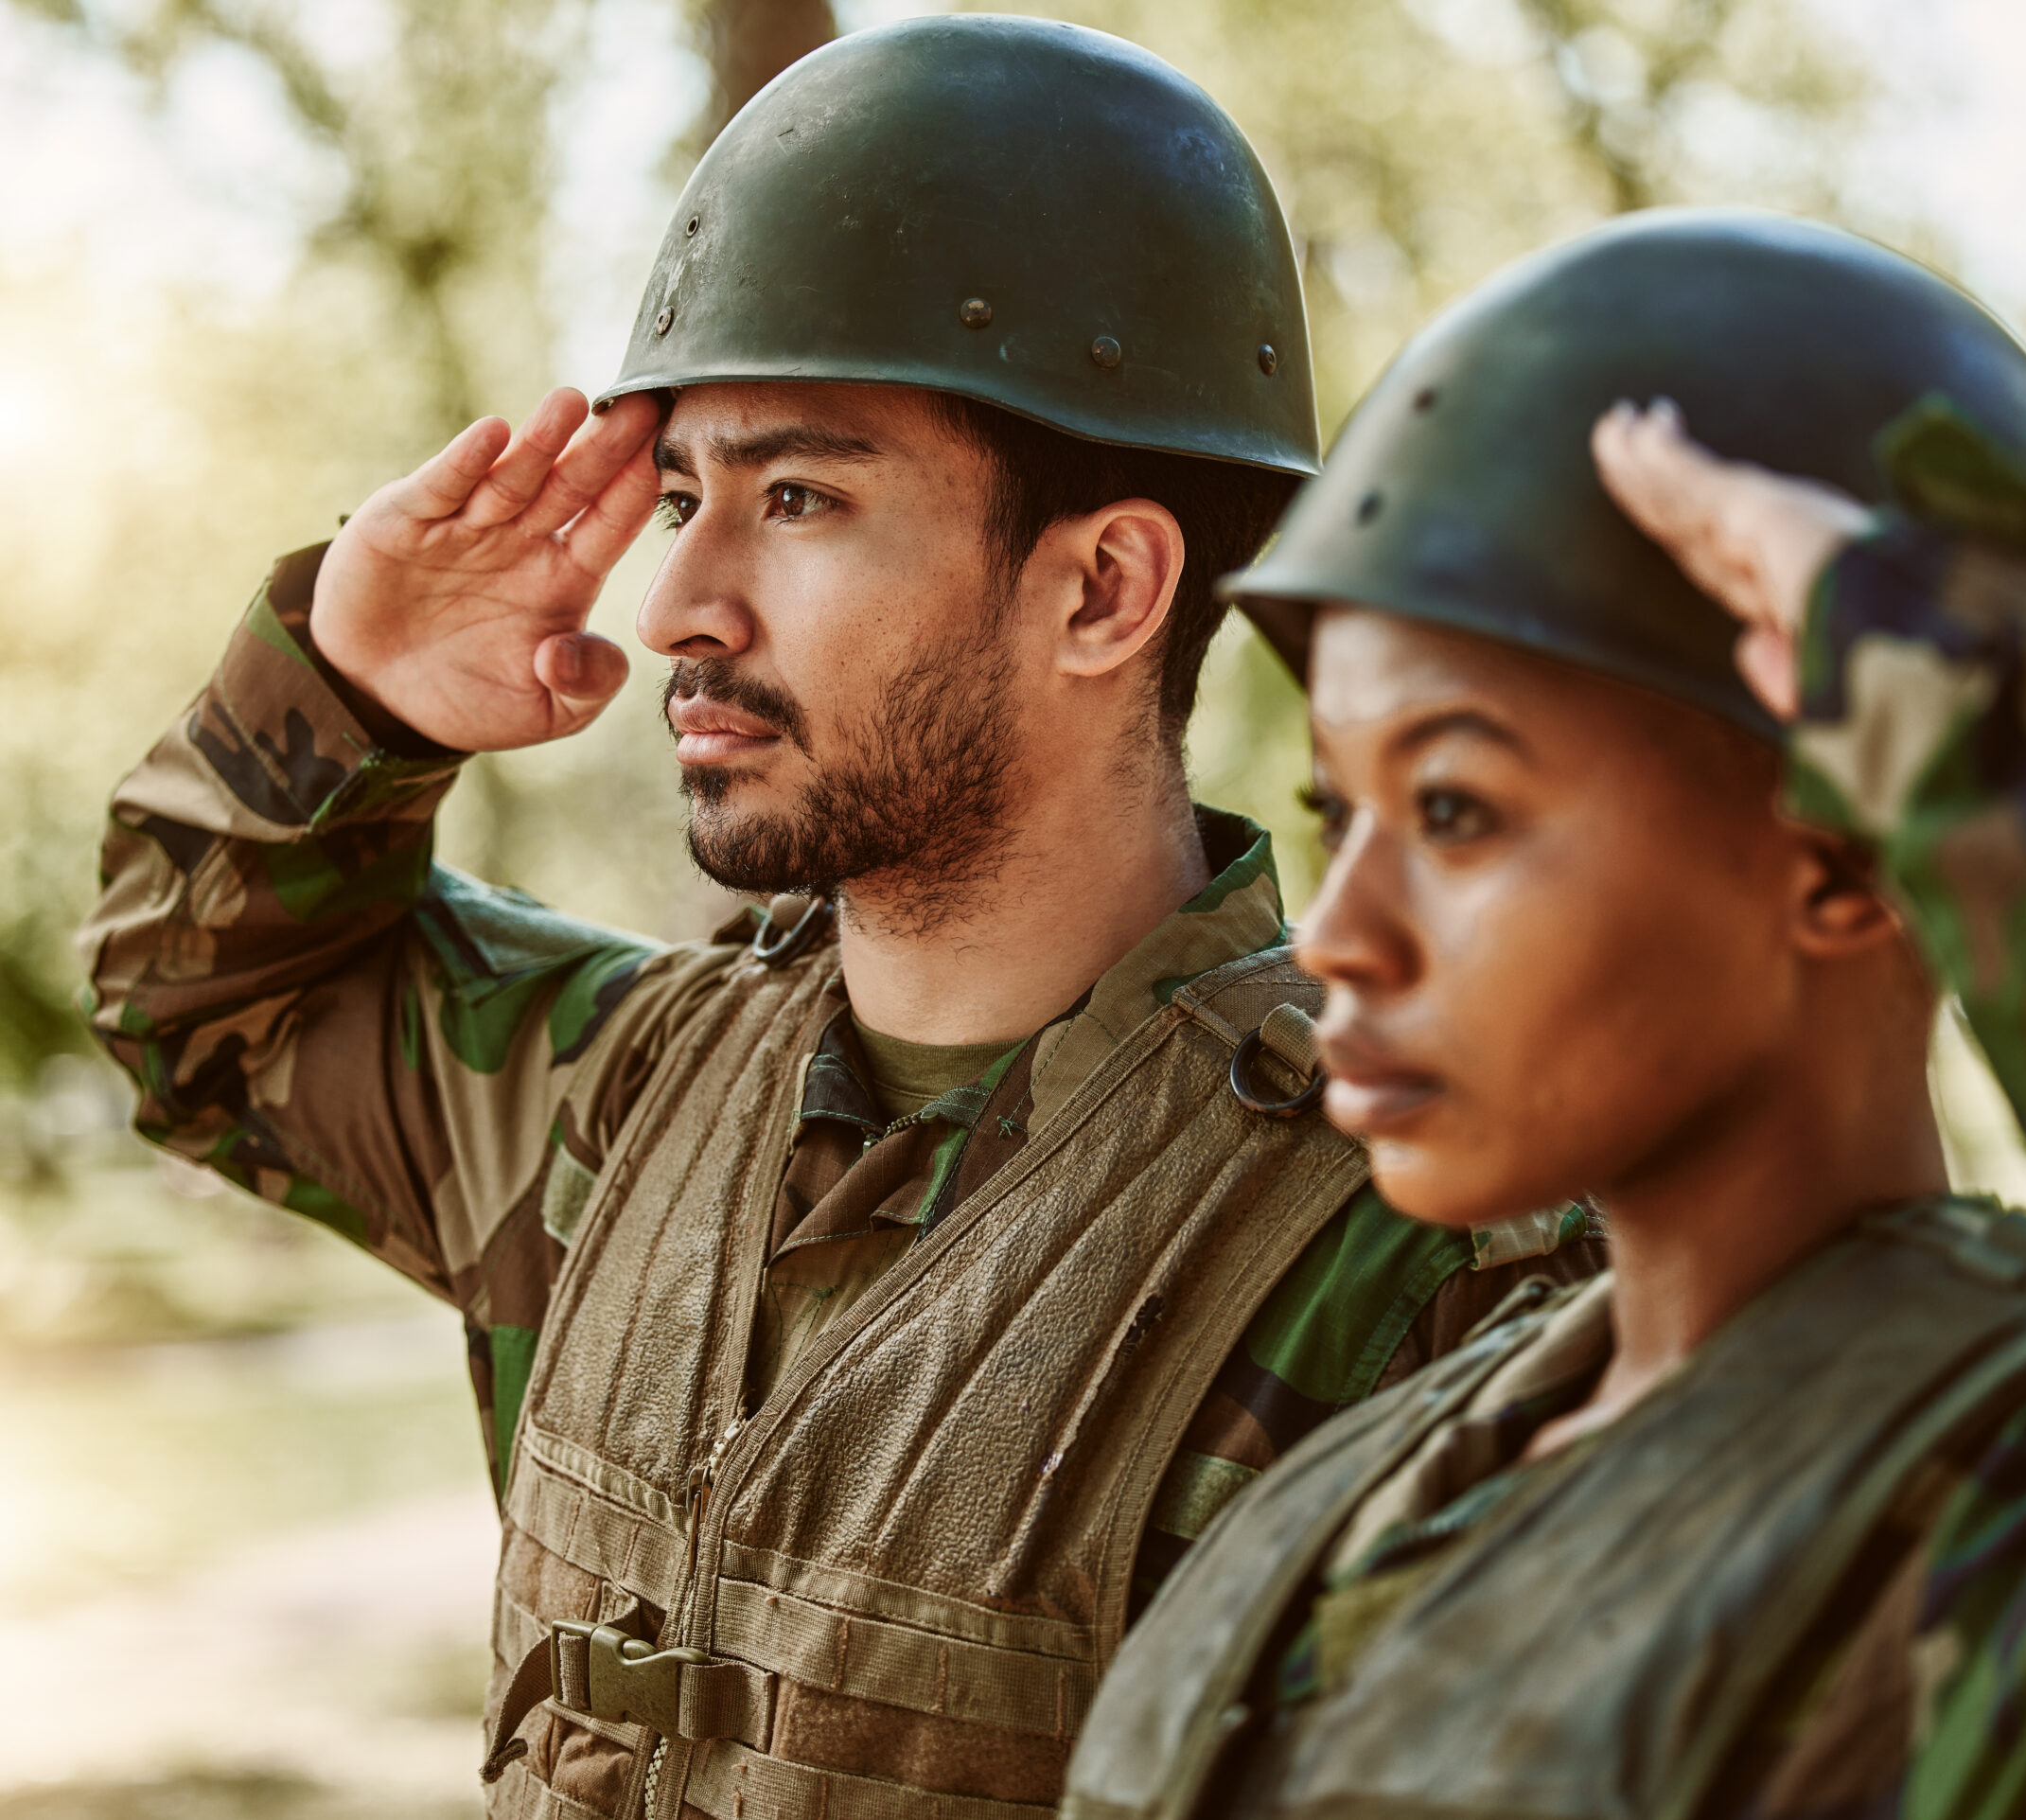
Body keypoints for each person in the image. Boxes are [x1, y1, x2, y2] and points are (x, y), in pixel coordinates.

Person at [77, 20, 1596, 1820]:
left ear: (1104, 587)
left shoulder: (1433, 1269)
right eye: (678, 498)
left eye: (798, 498)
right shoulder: (627, 1094)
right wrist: (351, 689)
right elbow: (204, 1008)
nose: (678, 607)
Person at [1063, 209, 2026, 1819]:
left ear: (1847, 850)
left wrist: (1950, 691)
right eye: (1338, 810)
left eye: (1455, 811)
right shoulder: (1362, 1485)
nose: (1342, 931)